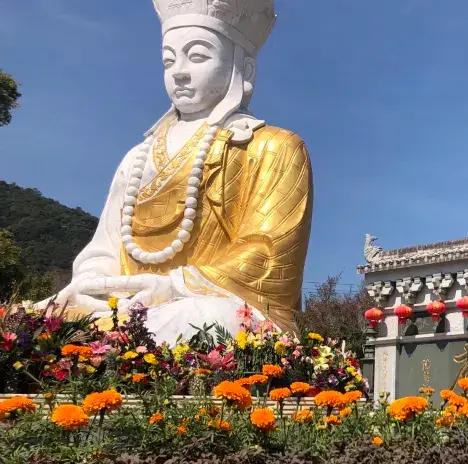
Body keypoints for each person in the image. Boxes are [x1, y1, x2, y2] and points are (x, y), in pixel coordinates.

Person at [38, 0, 312, 343]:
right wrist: (94, 281)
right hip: (127, 302)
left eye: (197, 56)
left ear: (244, 67)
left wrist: (172, 286)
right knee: (36, 319)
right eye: (169, 60)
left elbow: (271, 260)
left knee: (204, 320)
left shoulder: (273, 147)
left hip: (215, 303)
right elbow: (105, 248)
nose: (179, 72)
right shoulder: (137, 158)